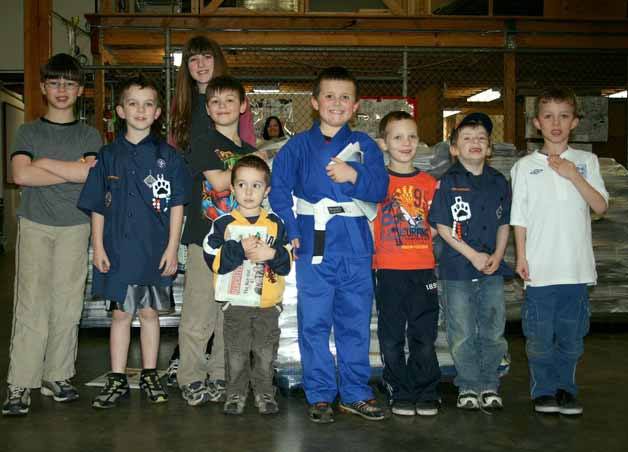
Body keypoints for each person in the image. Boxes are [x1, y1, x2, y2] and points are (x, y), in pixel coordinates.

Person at [269, 67, 389, 423]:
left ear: (355, 106)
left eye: (345, 97)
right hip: (313, 240)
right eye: (330, 96)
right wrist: (290, 229)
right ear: (315, 102)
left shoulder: (365, 146)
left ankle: (354, 393)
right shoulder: (297, 147)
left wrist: (354, 175)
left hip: (354, 241)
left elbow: (380, 188)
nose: (337, 103)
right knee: (315, 323)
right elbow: (278, 192)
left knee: (354, 322)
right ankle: (319, 393)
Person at [78, 76, 188, 409]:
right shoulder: (108, 155)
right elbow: (97, 204)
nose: (141, 110)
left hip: (154, 251)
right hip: (117, 252)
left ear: (158, 113)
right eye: (133, 103)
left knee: (151, 313)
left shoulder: (169, 158)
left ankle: (151, 373)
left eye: (148, 104)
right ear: (120, 110)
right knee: (121, 315)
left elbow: (178, 205)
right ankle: (116, 378)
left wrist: (172, 248)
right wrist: (98, 246)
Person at [2, 54, 101, 417]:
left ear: (80, 90)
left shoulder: (89, 134)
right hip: (36, 225)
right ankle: (20, 383)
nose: (62, 90)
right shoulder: (28, 131)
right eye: (55, 83)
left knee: (67, 304)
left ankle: (57, 375)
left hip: (76, 227)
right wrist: (73, 170)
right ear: (44, 88)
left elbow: (92, 176)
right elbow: (21, 176)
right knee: (31, 304)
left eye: (70, 84)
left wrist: (42, 164)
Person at [510, 88, 608, 416]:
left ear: (574, 122)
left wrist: (572, 175)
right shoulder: (524, 166)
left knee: (572, 336)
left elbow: (600, 206)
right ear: (537, 123)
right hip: (540, 270)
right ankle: (544, 391)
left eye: (564, 116)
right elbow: (519, 217)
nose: (556, 123)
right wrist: (521, 257)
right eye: (548, 116)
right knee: (538, 337)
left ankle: (567, 388)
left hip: (576, 270)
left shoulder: (586, 162)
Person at [169, 35, 256, 393]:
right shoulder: (200, 138)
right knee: (198, 312)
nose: (221, 106)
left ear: (242, 106)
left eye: (229, 101)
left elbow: (255, 185)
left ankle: (220, 374)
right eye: (215, 102)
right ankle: (190, 376)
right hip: (202, 232)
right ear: (206, 108)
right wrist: (257, 165)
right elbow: (221, 181)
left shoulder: (248, 145)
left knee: (228, 313)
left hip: (238, 238)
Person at [430, 112, 511, 411]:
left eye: (481, 139)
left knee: (492, 327)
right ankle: (467, 384)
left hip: (492, 269)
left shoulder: (499, 182)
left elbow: (505, 223)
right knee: (462, 329)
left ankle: (489, 383)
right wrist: (473, 255)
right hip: (457, 269)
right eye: (467, 138)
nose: (475, 143)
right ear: (454, 148)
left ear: (489, 148)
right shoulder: (447, 182)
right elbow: (442, 226)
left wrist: (498, 256)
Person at [203, 155, 291, 415]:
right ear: (232, 189)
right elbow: (211, 259)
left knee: (265, 353)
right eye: (242, 185)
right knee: (237, 353)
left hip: (267, 304)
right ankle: (235, 395)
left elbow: (287, 262)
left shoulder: (275, 224)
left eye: (256, 185)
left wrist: (272, 255)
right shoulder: (223, 225)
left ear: (267, 191)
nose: (249, 192)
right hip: (236, 304)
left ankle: (265, 394)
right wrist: (237, 249)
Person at [373, 111, 441, 417]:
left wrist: (425, 230)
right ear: (384, 143)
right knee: (391, 336)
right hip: (388, 271)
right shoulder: (376, 182)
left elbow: (439, 223)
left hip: (423, 269)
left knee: (424, 335)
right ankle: (399, 388)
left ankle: (426, 389)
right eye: (397, 137)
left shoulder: (429, 183)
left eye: (412, 136)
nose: (406, 142)